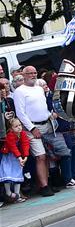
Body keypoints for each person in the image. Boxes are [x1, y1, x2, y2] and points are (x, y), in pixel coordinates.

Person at [11, 66, 54, 196]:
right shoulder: (20, 91)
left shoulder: (39, 89)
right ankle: (44, 186)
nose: (33, 75)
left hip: (47, 124)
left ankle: (45, 183)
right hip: (32, 127)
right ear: (23, 75)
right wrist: (32, 128)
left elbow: (44, 106)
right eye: (30, 73)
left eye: (35, 73)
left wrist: (50, 115)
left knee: (47, 156)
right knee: (40, 156)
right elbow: (20, 113)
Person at [1, 116, 30, 203]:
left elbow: (25, 144)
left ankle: (17, 195)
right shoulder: (10, 135)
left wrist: (25, 156)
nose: (19, 127)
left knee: (17, 174)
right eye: (16, 126)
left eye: (20, 125)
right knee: (7, 173)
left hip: (18, 158)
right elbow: (13, 147)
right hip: (9, 157)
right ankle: (8, 192)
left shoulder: (23, 134)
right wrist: (20, 158)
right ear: (11, 128)